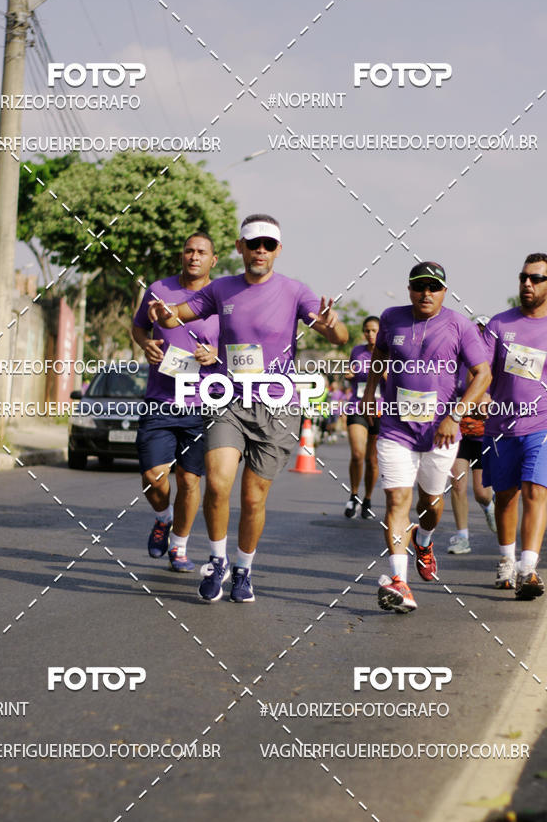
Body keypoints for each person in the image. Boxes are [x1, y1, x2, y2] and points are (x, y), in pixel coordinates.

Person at [151, 213, 349, 603]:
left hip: (276, 406)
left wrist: (331, 324)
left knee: (254, 498)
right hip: (227, 399)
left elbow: (338, 337)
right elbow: (182, 313)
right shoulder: (222, 289)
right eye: (253, 243)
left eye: (268, 245)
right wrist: (162, 314)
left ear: (277, 251)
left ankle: (244, 568)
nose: (260, 251)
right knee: (218, 481)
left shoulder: (295, 291)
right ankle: (217, 561)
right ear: (240, 247)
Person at [362, 262, 491, 613]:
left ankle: (425, 538)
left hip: (441, 432)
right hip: (396, 427)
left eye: (433, 287)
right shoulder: (391, 318)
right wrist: (371, 392)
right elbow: (380, 354)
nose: (426, 293)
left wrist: (456, 415)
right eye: (420, 286)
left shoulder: (460, 325)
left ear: (444, 292)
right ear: (409, 289)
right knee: (396, 501)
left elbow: (483, 373)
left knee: (430, 505)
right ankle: (399, 581)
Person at [131, 233, 219, 572]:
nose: (194, 256)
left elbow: (235, 348)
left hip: (202, 404)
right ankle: (162, 518)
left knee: (189, 480)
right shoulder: (159, 290)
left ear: (213, 260)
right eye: (189, 251)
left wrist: (214, 354)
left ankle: (179, 547)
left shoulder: (222, 298)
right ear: (181, 256)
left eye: (201, 252)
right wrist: (146, 345)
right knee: (154, 476)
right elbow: (139, 327)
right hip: (160, 399)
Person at [482, 253, 547, 600]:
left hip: (542, 424)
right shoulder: (499, 324)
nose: (527, 284)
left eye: (536, 279)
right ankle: (506, 561)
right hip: (501, 426)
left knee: (536, 490)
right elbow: (483, 369)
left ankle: (528, 569)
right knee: (505, 497)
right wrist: (476, 398)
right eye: (524, 277)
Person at [447, 315, 496, 554]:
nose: (478, 335)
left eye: (483, 331)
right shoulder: (455, 360)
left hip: (483, 433)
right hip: (456, 431)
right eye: (474, 330)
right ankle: (462, 537)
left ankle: (489, 506)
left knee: (481, 492)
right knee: (457, 484)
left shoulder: (491, 363)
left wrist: (490, 403)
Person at [344, 316, 382, 519]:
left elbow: (393, 379)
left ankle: (367, 498)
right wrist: (348, 373)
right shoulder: (357, 351)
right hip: (357, 406)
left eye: (375, 330)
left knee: (372, 459)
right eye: (367, 330)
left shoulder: (388, 352)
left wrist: (380, 372)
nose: (370, 334)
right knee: (358, 454)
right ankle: (354, 495)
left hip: (380, 408)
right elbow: (349, 371)